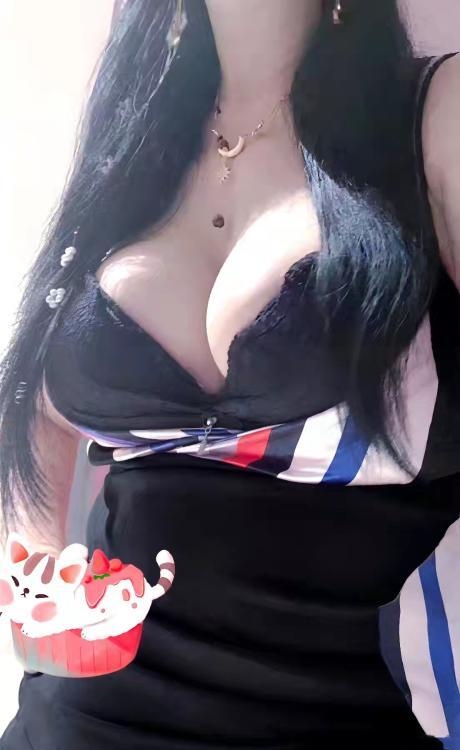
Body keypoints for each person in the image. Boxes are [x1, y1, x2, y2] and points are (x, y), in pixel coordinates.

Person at [0, 0, 459, 747]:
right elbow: (37, 400)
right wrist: (36, 570)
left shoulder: (435, 114)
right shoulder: (138, 127)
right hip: (74, 722)